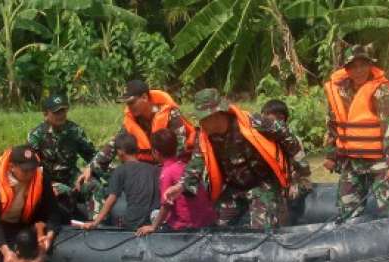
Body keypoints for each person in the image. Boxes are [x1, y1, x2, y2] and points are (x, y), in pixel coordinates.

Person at [164, 89, 312, 230]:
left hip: (262, 184)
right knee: (218, 227)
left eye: (203, 119)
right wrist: (180, 186)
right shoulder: (204, 136)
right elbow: (196, 163)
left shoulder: (252, 123)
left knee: (262, 230)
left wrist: (301, 171)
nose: (200, 123)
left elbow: (284, 132)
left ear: (217, 114)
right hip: (234, 187)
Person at [322, 44, 389, 218]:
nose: (359, 70)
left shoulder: (380, 91)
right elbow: (333, 127)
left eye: (363, 65)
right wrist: (331, 156)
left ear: (371, 65)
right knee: (346, 207)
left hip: (379, 160)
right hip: (352, 161)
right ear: (347, 69)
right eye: (353, 66)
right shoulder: (339, 92)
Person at [76, 80, 196, 188]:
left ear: (144, 97)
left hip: (172, 168)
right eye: (127, 104)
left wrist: (163, 175)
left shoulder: (171, 114)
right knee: (104, 172)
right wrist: (91, 167)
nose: (129, 107)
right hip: (148, 170)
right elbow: (115, 143)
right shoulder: (132, 119)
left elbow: (179, 149)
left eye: (132, 102)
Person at [28, 93, 97, 221]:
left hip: (71, 176)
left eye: (63, 111)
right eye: (56, 112)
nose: (61, 115)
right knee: (62, 197)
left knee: (93, 185)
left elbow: (92, 155)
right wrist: (49, 184)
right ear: (45, 114)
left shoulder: (75, 130)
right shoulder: (36, 135)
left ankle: (97, 223)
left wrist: (89, 169)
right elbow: (32, 167)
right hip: (48, 180)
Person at [136, 129, 217, 236]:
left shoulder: (167, 173)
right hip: (207, 220)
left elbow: (166, 205)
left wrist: (153, 227)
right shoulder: (186, 167)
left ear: (156, 152)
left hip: (186, 225)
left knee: (154, 215)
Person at [82, 133, 160, 230]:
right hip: (153, 222)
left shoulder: (120, 170)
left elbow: (111, 199)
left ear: (120, 152)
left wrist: (95, 222)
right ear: (137, 149)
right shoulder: (154, 169)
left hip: (133, 223)